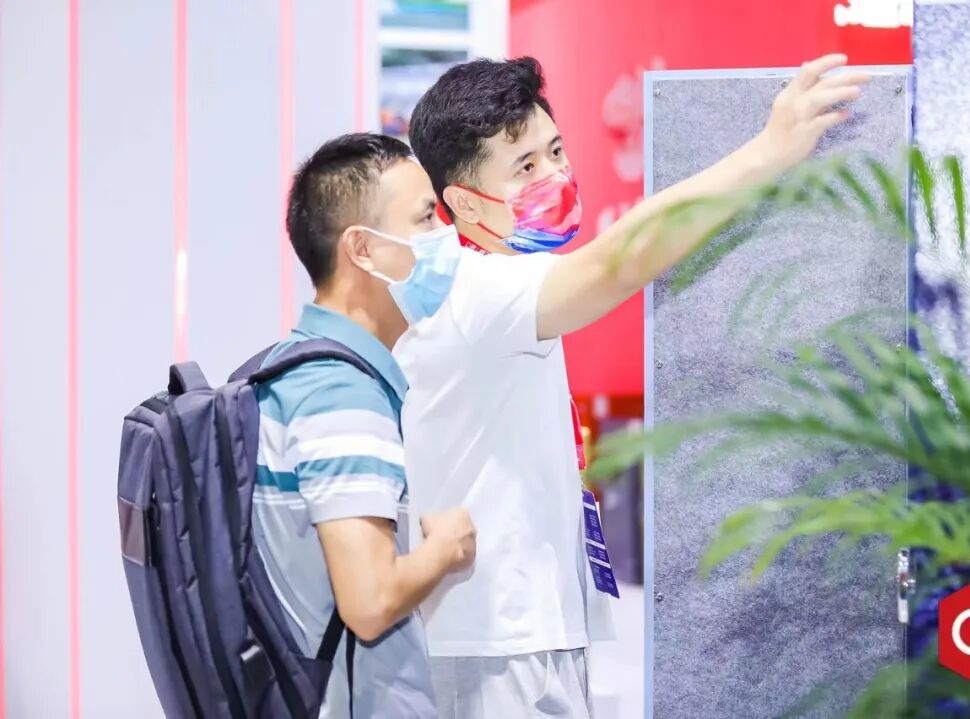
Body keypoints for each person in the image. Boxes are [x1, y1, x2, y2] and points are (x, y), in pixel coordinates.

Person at [396, 53, 870, 717]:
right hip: (494, 638)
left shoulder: (500, 281)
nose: (555, 176)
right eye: (524, 167)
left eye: (555, 151)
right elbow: (620, 260)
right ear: (465, 202)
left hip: (525, 629)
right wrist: (769, 150)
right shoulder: (477, 289)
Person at [253, 132, 478, 717]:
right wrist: (447, 547)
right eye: (425, 219)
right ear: (363, 249)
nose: (445, 237)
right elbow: (370, 602)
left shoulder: (295, 366)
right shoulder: (340, 395)